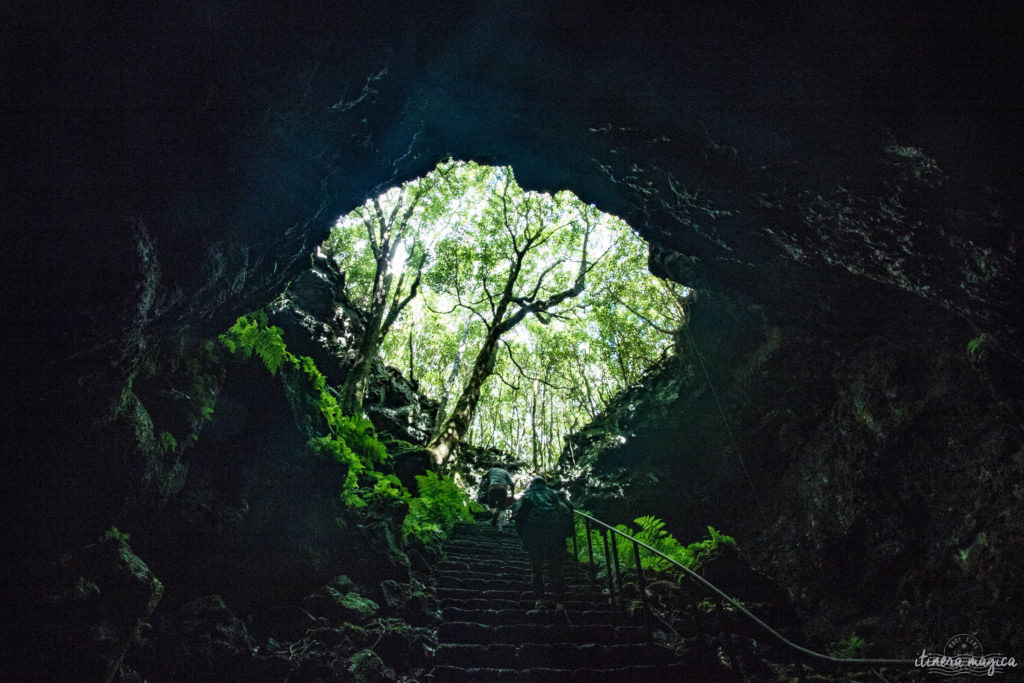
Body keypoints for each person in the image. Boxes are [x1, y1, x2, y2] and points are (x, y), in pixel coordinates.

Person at [512, 476, 574, 613]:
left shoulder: (527, 495)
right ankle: (559, 603)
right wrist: (567, 533)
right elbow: (569, 509)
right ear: (545, 485)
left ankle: (539, 602)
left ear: (532, 485)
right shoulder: (554, 495)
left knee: (536, 569)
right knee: (557, 569)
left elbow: (518, 515)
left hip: (534, 536)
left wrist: (523, 536)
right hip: (555, 535)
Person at [477, 465, 515, 531]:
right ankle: (500, 526)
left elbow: (483, 477)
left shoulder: (491, 470)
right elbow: (511, 483)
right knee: (502, 509)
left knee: (492, 507)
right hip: (502, 489)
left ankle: (494, 518)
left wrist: (482, 485)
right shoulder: (505, 472)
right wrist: (512, 494)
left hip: (492, 488)